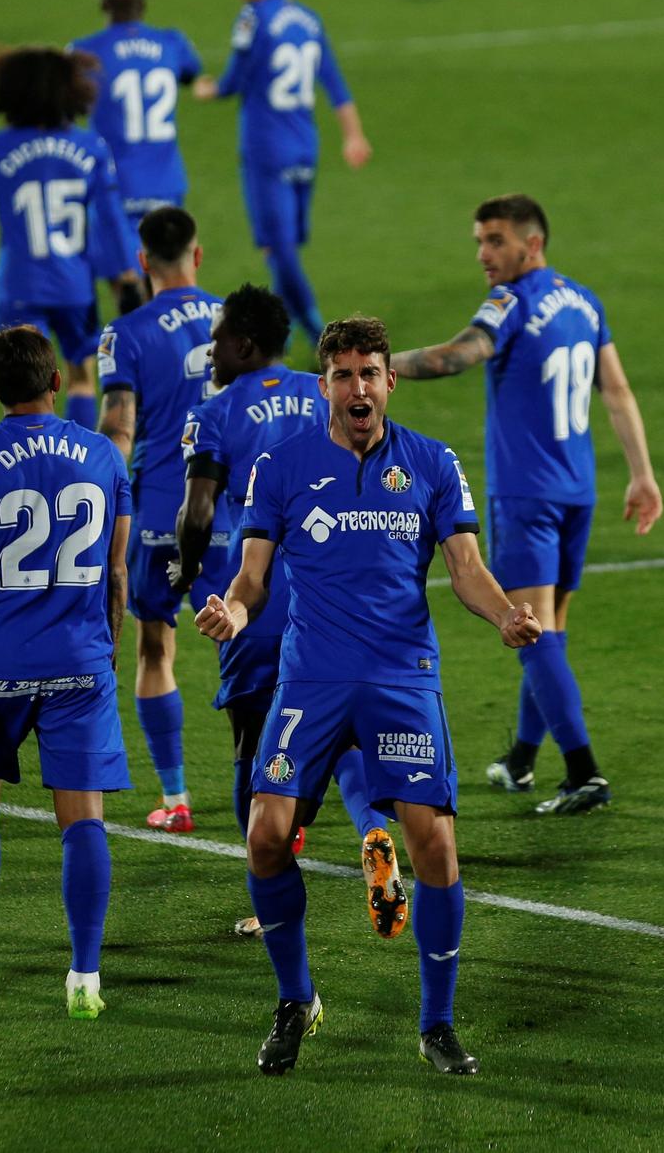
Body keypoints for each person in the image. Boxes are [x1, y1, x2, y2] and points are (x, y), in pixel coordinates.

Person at [196, 314, 541, 1076]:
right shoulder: (280, 467)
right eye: (344, 374)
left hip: (399, 678)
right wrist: (233, 610)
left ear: (389, 380)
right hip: (310, 676)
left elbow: (466, 569)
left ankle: (437, 1022)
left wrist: (506, 615)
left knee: (437, 847)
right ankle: (296, 1000)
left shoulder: (431, 462)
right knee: (264, 834)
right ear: (325, 385)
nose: (358, 386)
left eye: (370, 372)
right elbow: (252, 578)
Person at [393, 194, 662, 815]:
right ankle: (520, 759)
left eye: (494, 241)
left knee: (532, 632)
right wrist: (642, 475)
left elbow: (456, 355)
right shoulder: (584, 300)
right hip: (578, 491)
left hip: (527, 495)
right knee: (551, 628)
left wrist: (382, 364)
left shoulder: (511, 302)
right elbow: (615, 390)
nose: (484, 255)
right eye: (479, 242)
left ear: (530, 244)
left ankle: (584, 772)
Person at [174, 285, 395, 938]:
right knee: (346, 734)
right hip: (332, 596)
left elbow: (200, 511)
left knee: (256, 744)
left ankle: (268, 899)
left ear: (243, 344)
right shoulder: (327, 391)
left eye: (217, 337)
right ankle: (375, 831)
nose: (211, 349)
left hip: (256, 599)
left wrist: (185, 567)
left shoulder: (218, 411)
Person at [0, 325, 133, 1016]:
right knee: (83, 817)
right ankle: (84, 976)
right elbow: (116, 570)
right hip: (81, 661)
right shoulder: (104, 455)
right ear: (56, 383)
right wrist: (108, 648)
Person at [95, 208, 222, 832]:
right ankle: (278, 793)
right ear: (197, 257)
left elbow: (119, 427)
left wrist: (91, 485)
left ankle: (175, 800)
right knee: (253, 649)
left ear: (143, 262)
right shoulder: (237, 321)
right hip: (233, 509)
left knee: (154, 646)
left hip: (157, 513)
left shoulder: (126, 333)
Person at [192, 0, 372, 348]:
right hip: (305, 146)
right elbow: (335, 84)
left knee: (280, 249)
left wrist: (209, 90)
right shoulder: (308, 19)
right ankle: (281, 336)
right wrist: (353, 134)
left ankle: (321, 336)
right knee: (282, 246)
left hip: (266, 149)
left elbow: (234, 81)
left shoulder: (253, 18)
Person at [0, 45, 143, 432]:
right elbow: (112, 219)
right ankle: (74, 457)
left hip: (18, 285)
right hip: (74, 286)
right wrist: (127, 276)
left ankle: (30, 465)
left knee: (20, 385)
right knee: (80, 373)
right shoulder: (91, 148)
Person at [71, 0, 204, 219]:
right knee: (167, 258)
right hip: (166, 184)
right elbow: (191, 71)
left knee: (114, 258)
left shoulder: (85, 52)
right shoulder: (172, 43)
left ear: (103, 4)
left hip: (113, 184)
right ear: (143, 5)